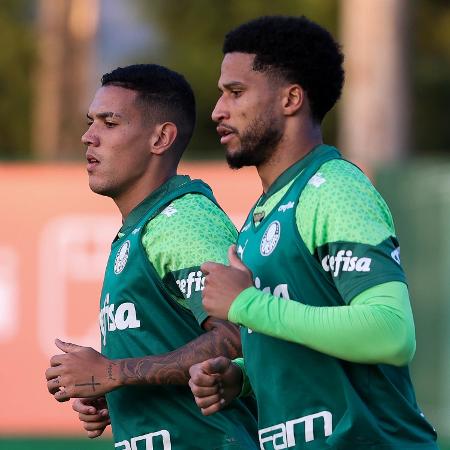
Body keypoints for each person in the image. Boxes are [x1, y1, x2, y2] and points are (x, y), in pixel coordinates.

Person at [188, 16, 438, 449]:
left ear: (291, 99)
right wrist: (244, 377)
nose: (218, 111)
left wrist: (247, 304)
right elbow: (303, 330)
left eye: (235, 92)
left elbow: (391, 332)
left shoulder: (334, 187)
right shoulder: (260, 217)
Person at [45, 64, 258, 450]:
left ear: (161, 138)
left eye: (109, 122)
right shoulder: (139, 229)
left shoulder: (183, 220)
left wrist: (113, 372)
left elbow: (240, 337)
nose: (87, 137)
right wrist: (119, 395)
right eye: (90, 121)